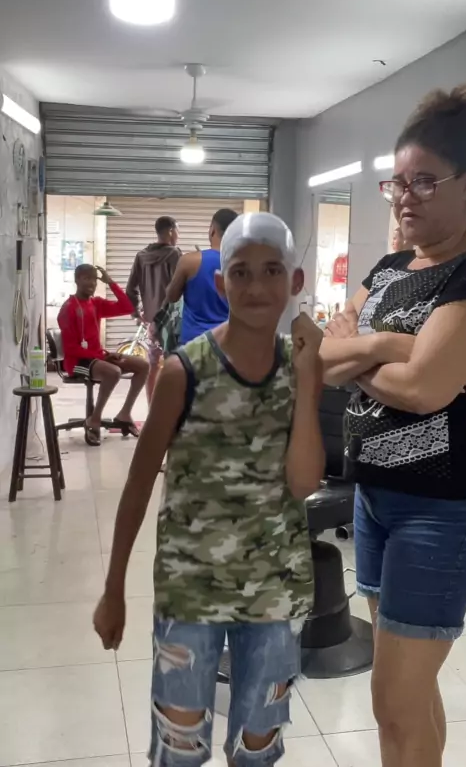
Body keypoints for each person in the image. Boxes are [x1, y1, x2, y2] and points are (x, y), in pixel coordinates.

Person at [93, 212, 324, 767]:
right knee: (179, 748)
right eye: (241, 273)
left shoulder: (301, 370)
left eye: (272, 271)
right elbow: (138, 483)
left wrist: (309, 377)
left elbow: (302, 481)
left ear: (295, 280)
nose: (256, 286)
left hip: (276, 589)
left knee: (258, 747)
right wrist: (113, 586)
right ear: (221, 283)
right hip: (190, 588)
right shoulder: (184, 372)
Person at [320, 85, 466, 767]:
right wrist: (389, 347)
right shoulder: (389, 268)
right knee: (412, 697)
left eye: (424, 182)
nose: (404, 198)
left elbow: (424, 390)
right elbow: (324, 356)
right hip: (373, 500)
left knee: (393, 703)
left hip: (439, 512)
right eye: (398, 183)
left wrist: (365, 350)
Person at [58, 264, 149, 446]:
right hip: (76, 362)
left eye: (94, 279)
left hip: (97, 357)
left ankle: (124, 414)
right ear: (76, 280)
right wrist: (102, 357)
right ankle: (94, 419)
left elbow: (127, 307)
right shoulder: (68, 308)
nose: (91, 283)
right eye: (86, 278)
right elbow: (71, 349)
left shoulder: (96, 304)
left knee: (143, 365)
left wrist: (111, 283)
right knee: (113, 372)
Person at [126, 216, 181, 402]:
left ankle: (152, 410)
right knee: (174, 365)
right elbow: (178, 289)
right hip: (172, 322)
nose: (178, 235)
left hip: (152, 322)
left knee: (153, 365)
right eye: (178, 231)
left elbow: (130, 289)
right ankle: (170, 410)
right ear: (171, 231)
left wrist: (136, 313)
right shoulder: (174, 254)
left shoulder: (141, 256)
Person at [165, 208, 238, 343]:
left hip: (194, 343)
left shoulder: (189, 261)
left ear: (212, 230)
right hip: (229, 342)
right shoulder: (244, 265)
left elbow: (171, 296)